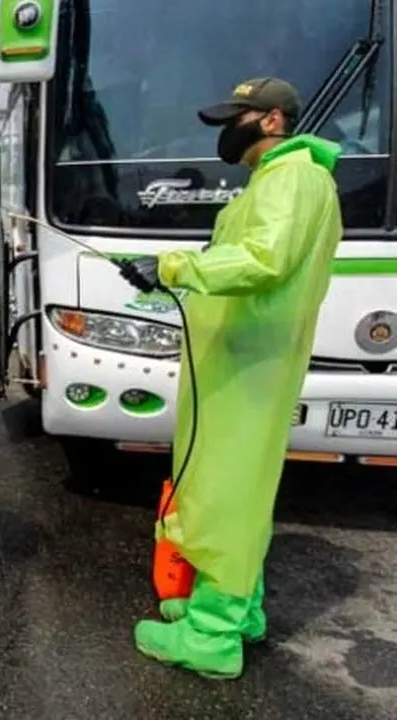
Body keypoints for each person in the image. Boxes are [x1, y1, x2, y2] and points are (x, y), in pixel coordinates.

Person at [117, 77, 343, 679]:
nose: (225, 131)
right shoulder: (278, 181)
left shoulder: (294, 178)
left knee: (226, 487)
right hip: (240, 359)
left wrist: (171, 264)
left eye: (235, 119)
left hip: (249, 364)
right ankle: (238, 607)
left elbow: (263, 260)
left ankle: (214, 634)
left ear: (271, 121)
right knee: (234, 485)